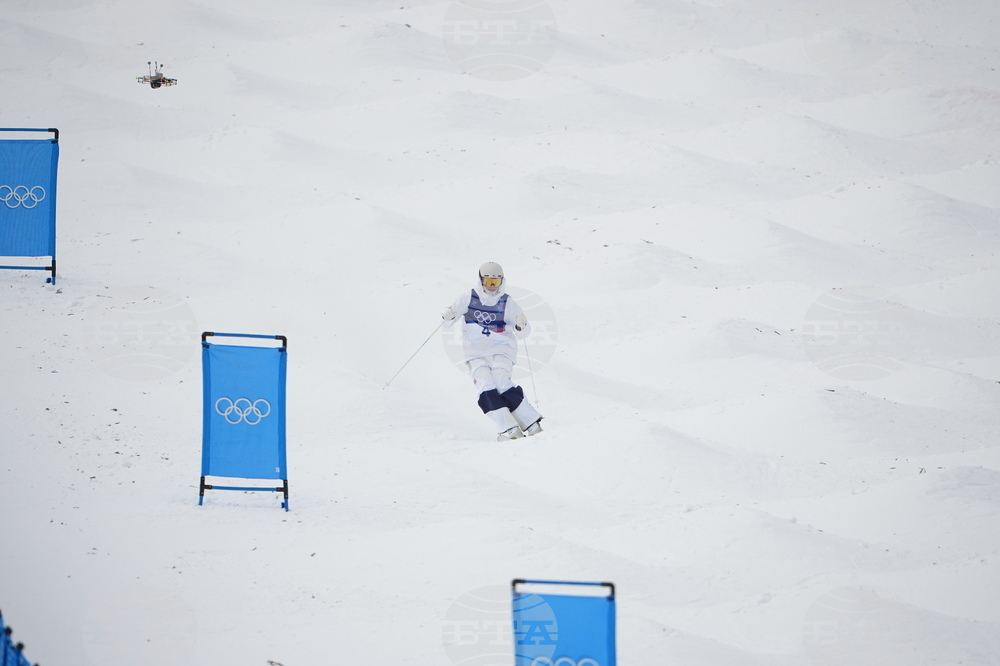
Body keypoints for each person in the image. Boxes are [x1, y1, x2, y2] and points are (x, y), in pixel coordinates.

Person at [442, 262, 543, 441]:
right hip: (475, 353)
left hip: (501, 350)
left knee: (502, 383)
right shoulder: (468, 297)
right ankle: (508, 428)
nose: (491, 287)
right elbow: (448, 320)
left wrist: (521, 324)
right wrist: (448, 315)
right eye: (488, 282)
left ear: (502, 282)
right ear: (481, 280)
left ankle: (531, 422)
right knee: (486, 387)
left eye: (495, 283)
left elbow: (524, 332)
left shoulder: (507, 302)